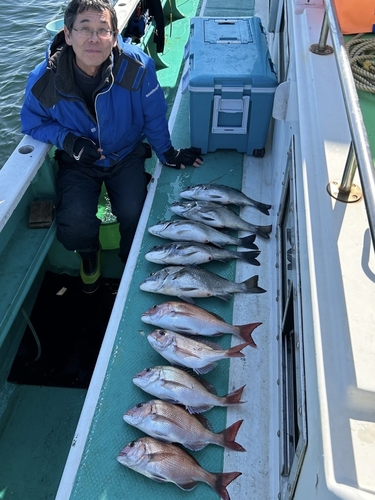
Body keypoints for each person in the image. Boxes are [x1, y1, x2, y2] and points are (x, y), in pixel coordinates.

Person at [21, 0, 203, 293]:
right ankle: (88, 251)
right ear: (67, 34)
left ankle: (131, 260)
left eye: (103, 30)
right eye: (84, 29)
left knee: (134, 212)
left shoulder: (137, 67)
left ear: (115, 35)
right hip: (78, 161)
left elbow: (153, 116)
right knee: (74, 223)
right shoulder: (44, 79)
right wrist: (71, 142)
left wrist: (167, 153)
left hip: (126, 154)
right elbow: (32, 123)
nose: (94, 38)